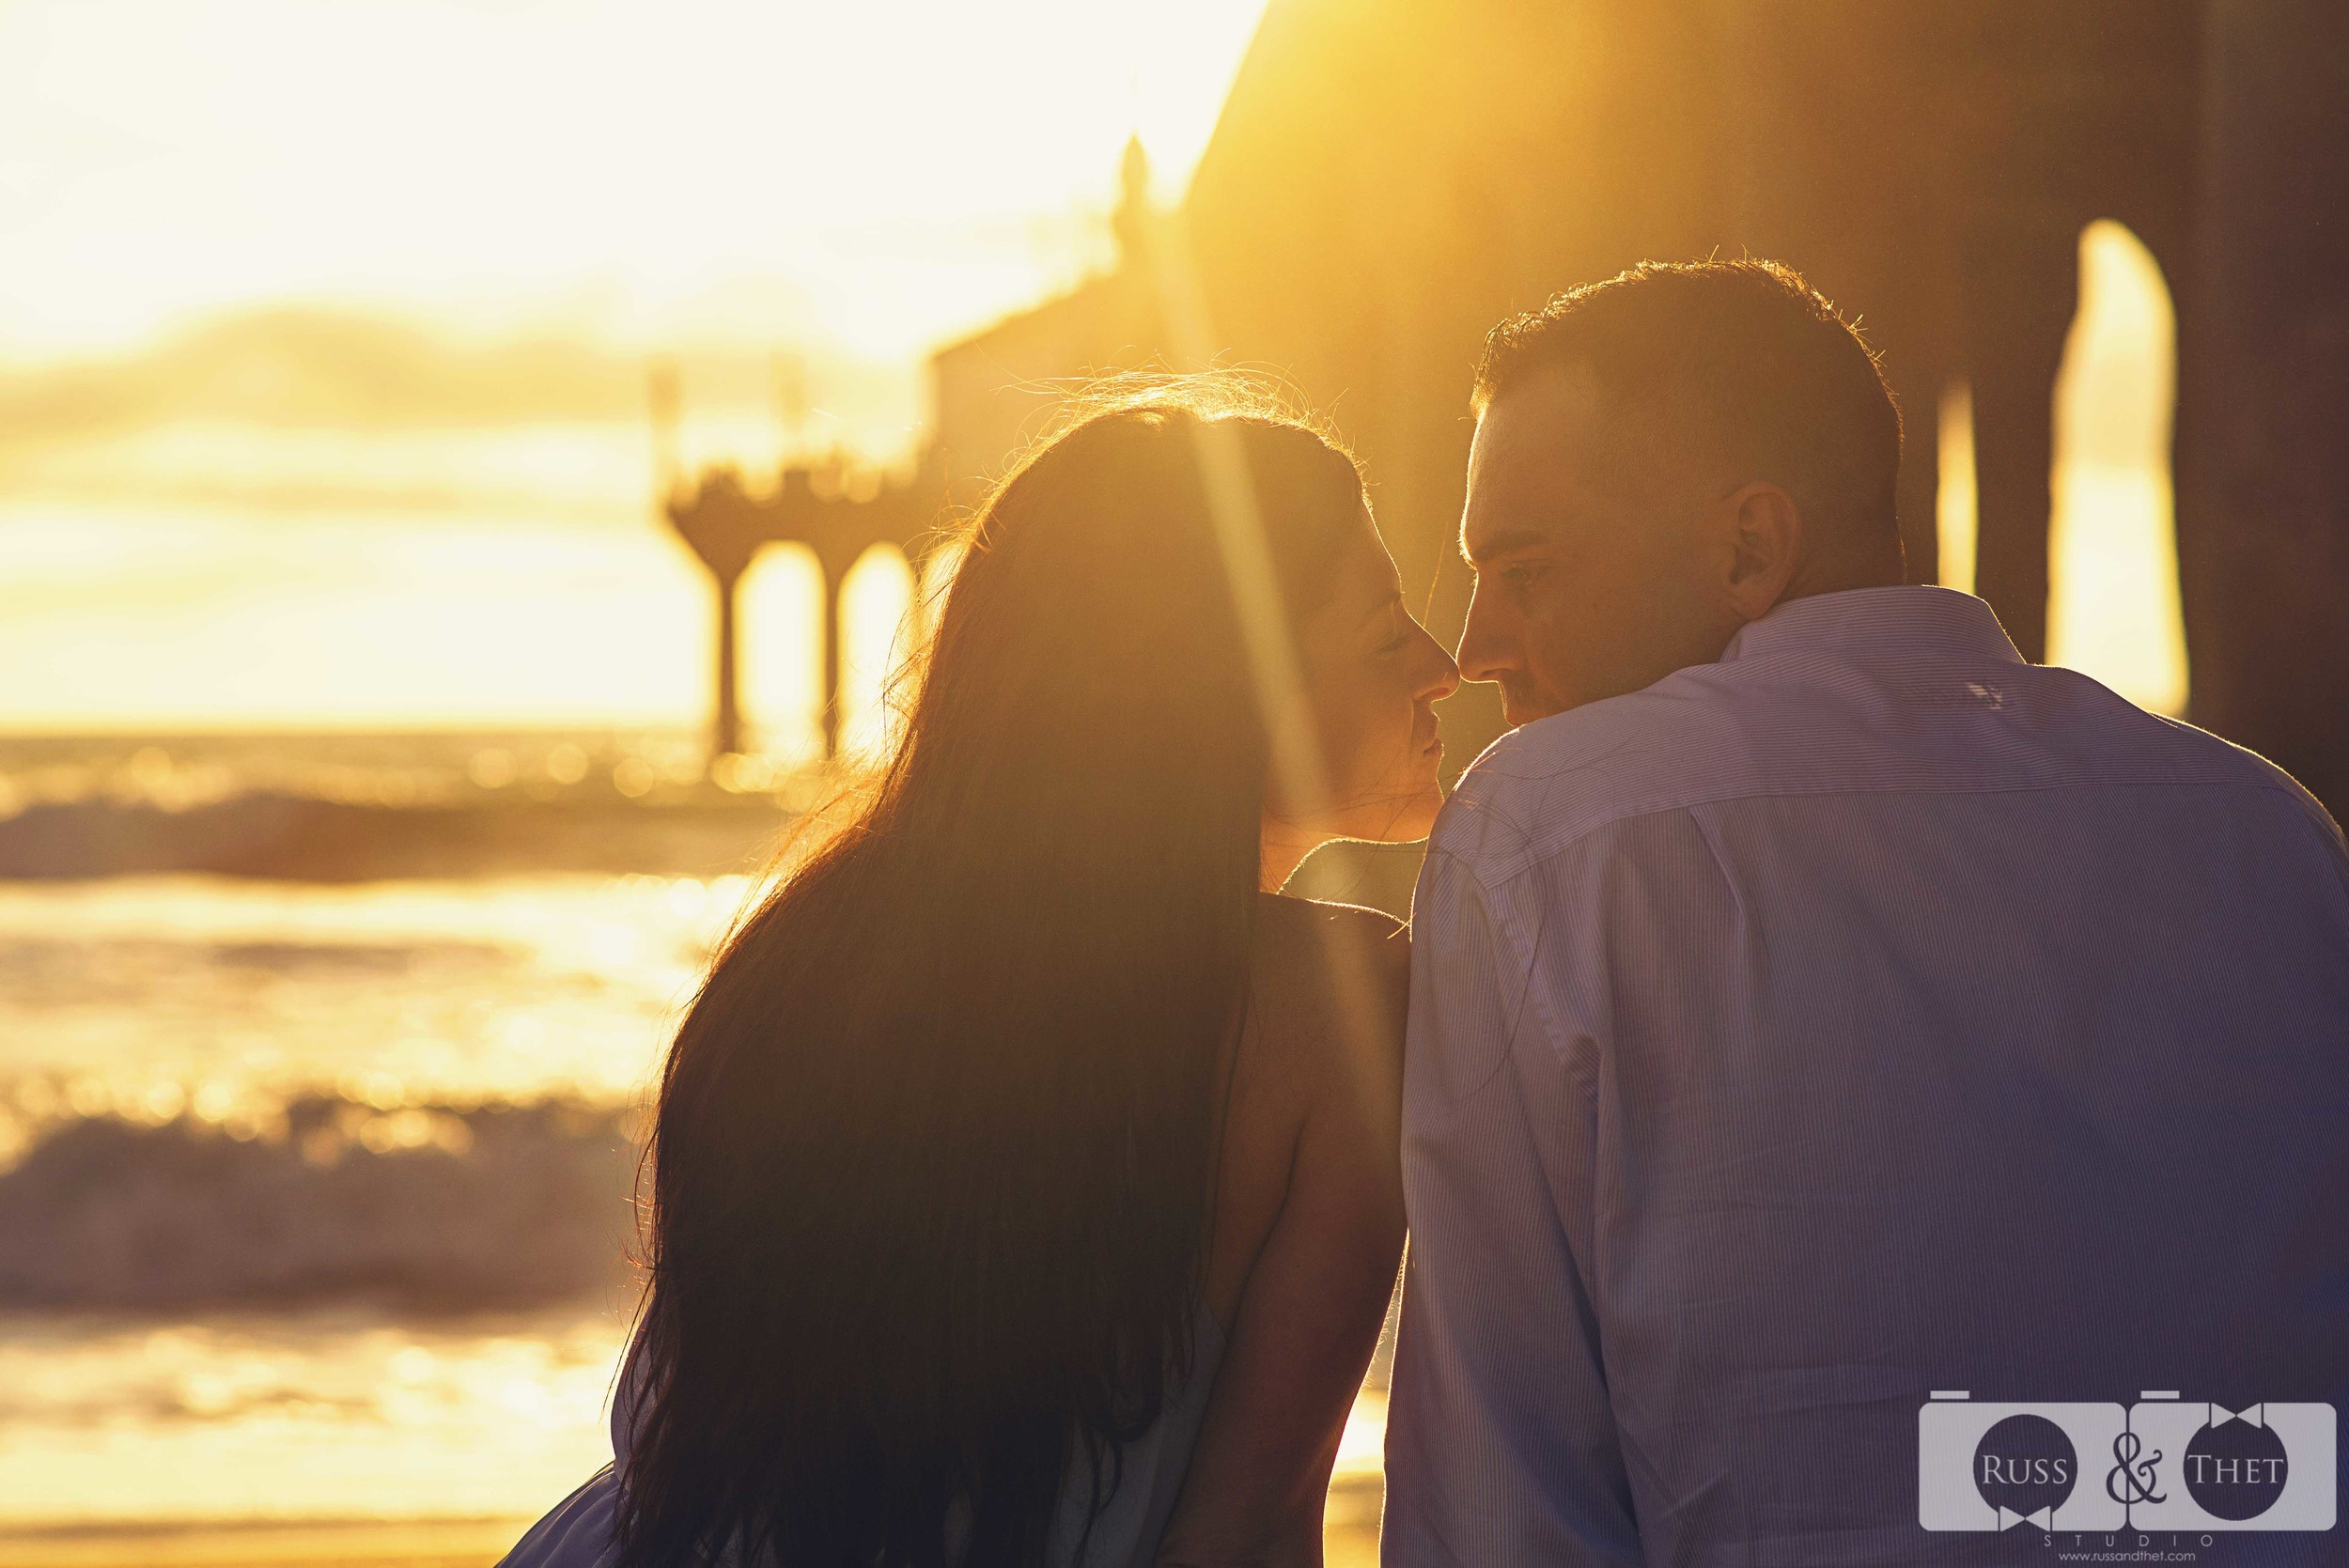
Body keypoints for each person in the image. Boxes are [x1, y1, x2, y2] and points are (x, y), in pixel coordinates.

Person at [1383, 259, 2349, 1564]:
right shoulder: (2269, 837)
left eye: (1527, 569)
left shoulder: (1552, 835)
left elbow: (1503, 1502)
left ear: (1749, 549)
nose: (1475, 644)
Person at [501, 379, 1459, 1568]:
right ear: (1224, 692)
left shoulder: (811, 951)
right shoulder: (1340, 1015)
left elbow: (679, 1418)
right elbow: (1248, 1528)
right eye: (1382, 634)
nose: (1443, 664)